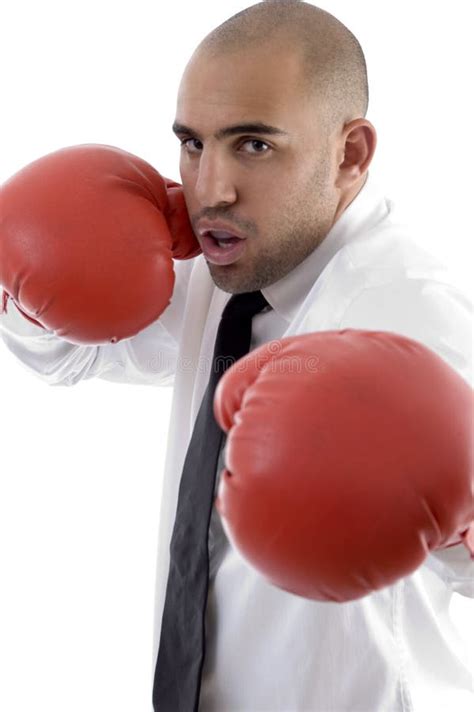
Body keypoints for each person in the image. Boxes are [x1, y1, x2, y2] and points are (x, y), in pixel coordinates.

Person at [0, 1, 472, 710]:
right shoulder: (226, 267)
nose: (210, 191)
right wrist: (29, 272)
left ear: (350, 154)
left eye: (253, 145)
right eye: (193, 144)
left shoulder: (418, 314)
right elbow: (72, 356)